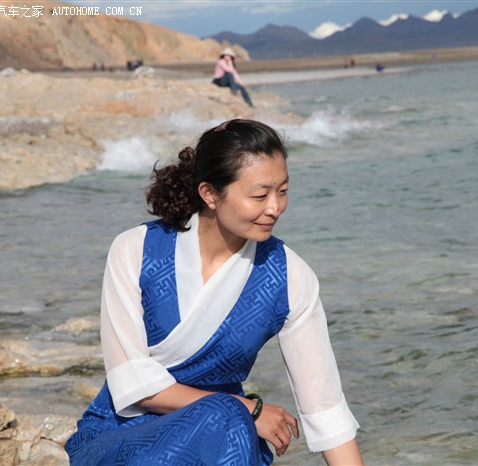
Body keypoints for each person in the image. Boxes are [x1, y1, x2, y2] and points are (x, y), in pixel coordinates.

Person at [65, 119, 364, 465]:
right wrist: (246, 408)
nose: (275, 208)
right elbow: (132, 383)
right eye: (260, 195)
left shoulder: (290, 276)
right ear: (209, 194)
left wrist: (238, 412)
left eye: (282, 191)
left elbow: (325, 409)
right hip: (122, 435)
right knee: (223, 416)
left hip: (226, 439)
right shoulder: (135, 249)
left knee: (224, 422)